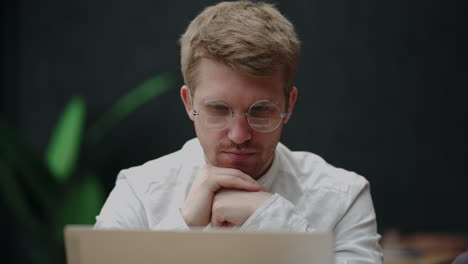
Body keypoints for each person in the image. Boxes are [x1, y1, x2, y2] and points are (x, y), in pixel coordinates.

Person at [94, 1, 383, 263]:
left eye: (260, 110)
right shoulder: (140, 192)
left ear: (289, 105)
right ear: (189, 103)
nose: (239, 135)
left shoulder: (343, 196)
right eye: (218, 109)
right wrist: (182, 231)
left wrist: (275, 222)